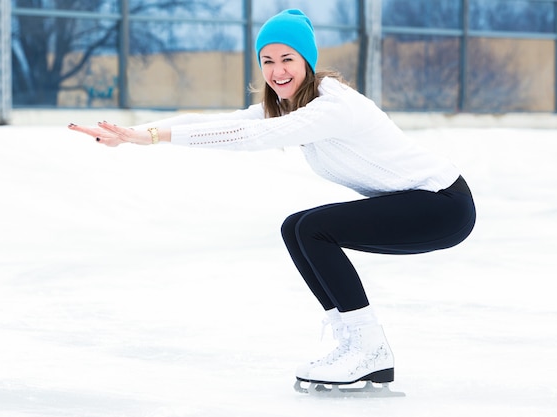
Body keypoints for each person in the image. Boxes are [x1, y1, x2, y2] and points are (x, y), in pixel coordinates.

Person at [69, 9, 476, 391]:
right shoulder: (288, 106)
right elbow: (221, 123)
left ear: (307, 62)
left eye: (287, 59)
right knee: (296, 227)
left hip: (442, 203)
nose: (277, 71)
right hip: (422, 203)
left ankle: (368, 348)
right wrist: (137, 133)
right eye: (267, 61)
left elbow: (251, 137)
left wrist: (153, 138)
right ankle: (357, 342)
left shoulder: (331, 107)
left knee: (315, 229)